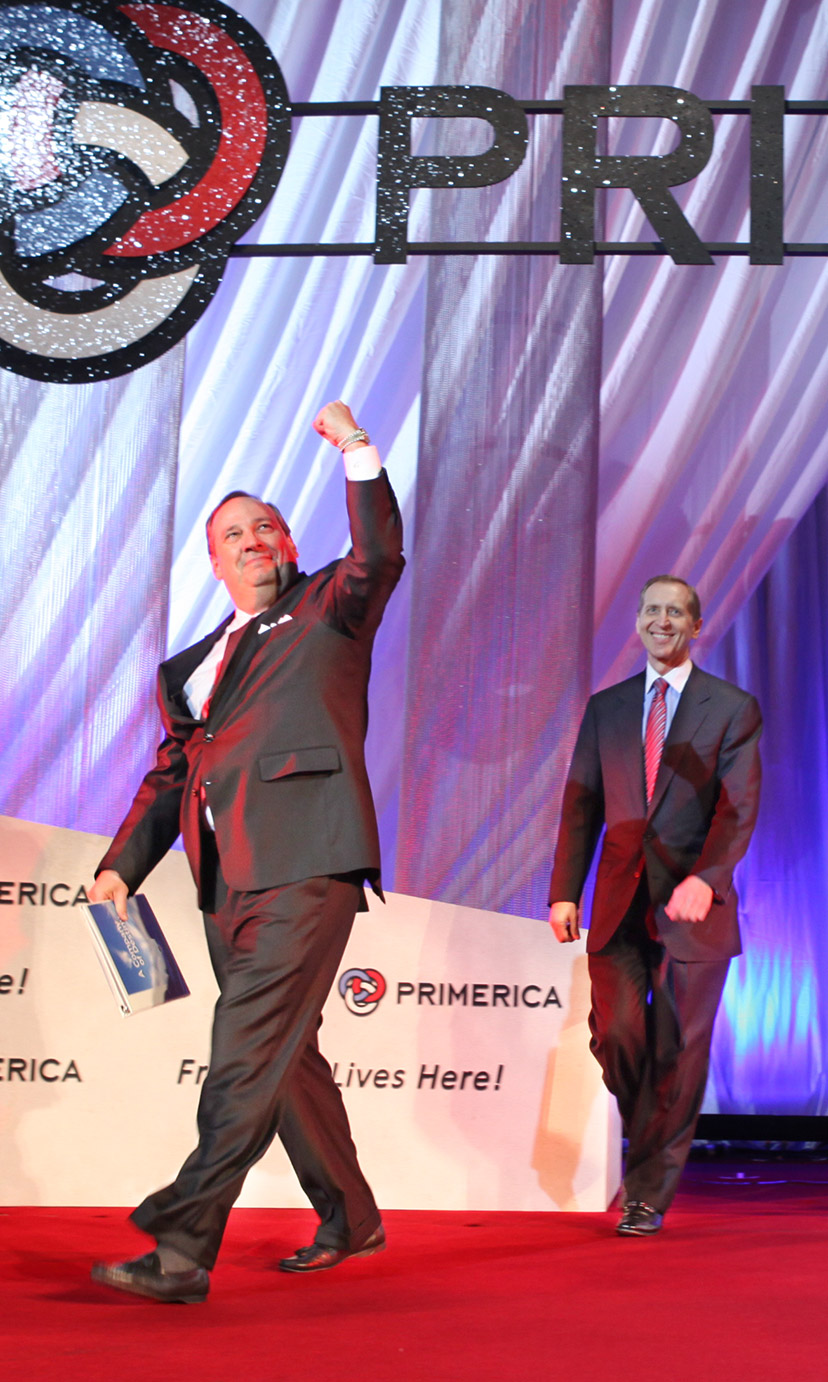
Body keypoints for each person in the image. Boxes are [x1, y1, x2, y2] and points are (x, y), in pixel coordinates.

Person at [90, 401, 404, 1302]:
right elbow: (169, 777)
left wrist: (356, 449)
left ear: (290, 541)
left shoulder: (330, 607)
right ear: (214, 559)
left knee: (242, 1051)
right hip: (225, 885)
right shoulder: (185, 666)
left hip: (309, 865)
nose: (252, 539)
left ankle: (183, 1245)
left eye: (265, 525)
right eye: (233, 533)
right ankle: (353, 1215)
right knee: (284, 1054)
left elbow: (379, 554)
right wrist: (120, 865)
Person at [548, 575, 761, 1236]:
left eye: (675, 611)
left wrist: (709, 877)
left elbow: (738, 808)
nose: (661, 620)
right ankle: (651, 1137)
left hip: (693, 907)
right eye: (651, 610)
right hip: (617, 900)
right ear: (637, 621)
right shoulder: (607, 707)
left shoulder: (731, 707)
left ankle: (647, 1194)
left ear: (694, 626)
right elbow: (581, 803)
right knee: (615, 1033)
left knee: (679, 1050)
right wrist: (563, 889)